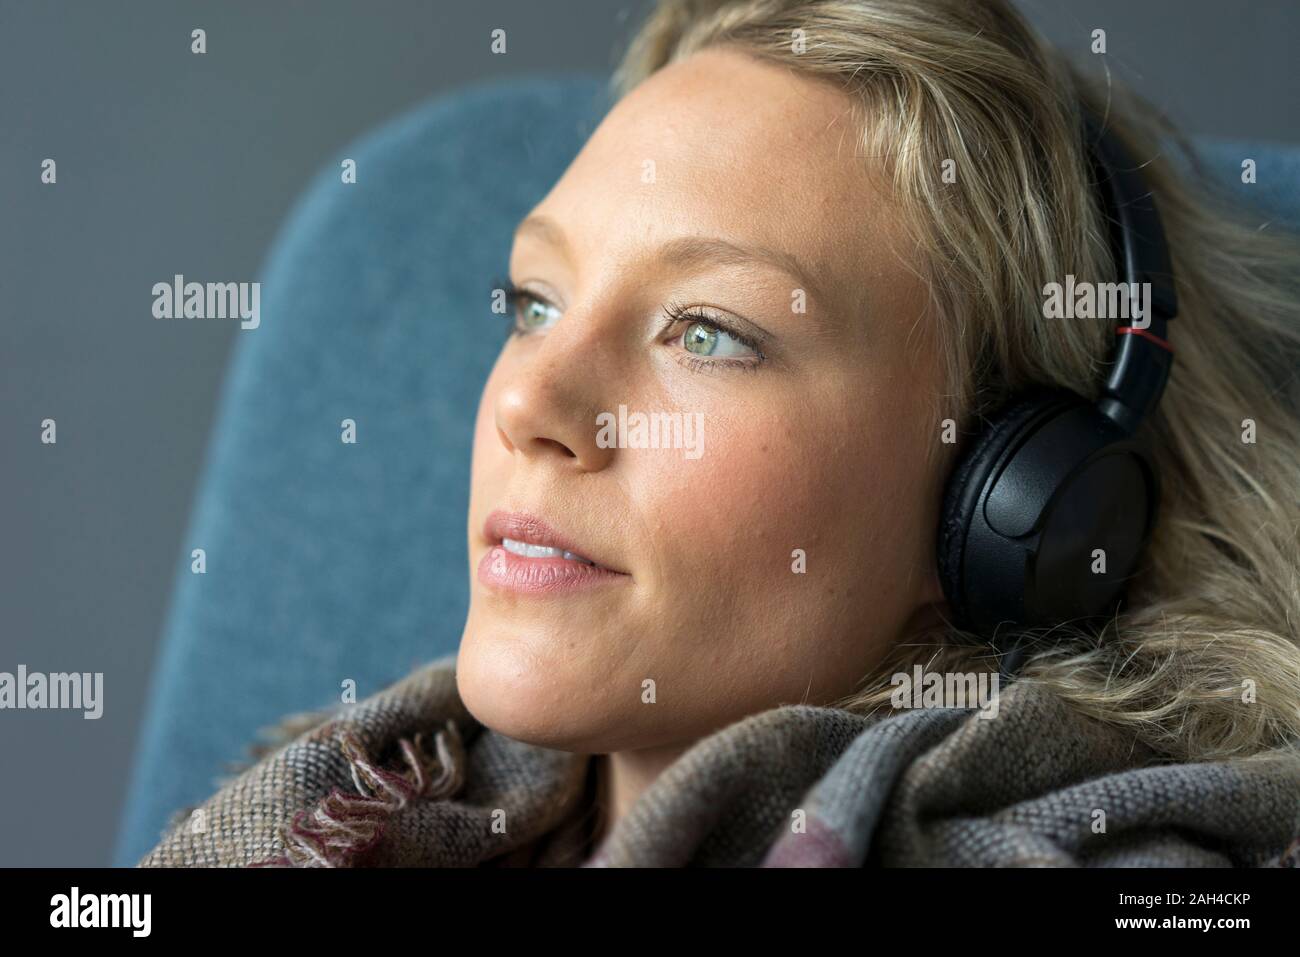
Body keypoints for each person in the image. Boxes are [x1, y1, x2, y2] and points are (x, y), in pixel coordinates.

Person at [139, 0, 1300, 868]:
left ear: (1011, 502)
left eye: (707, 332)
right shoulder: (340, 802)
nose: (528, 406)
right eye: (533, 304)